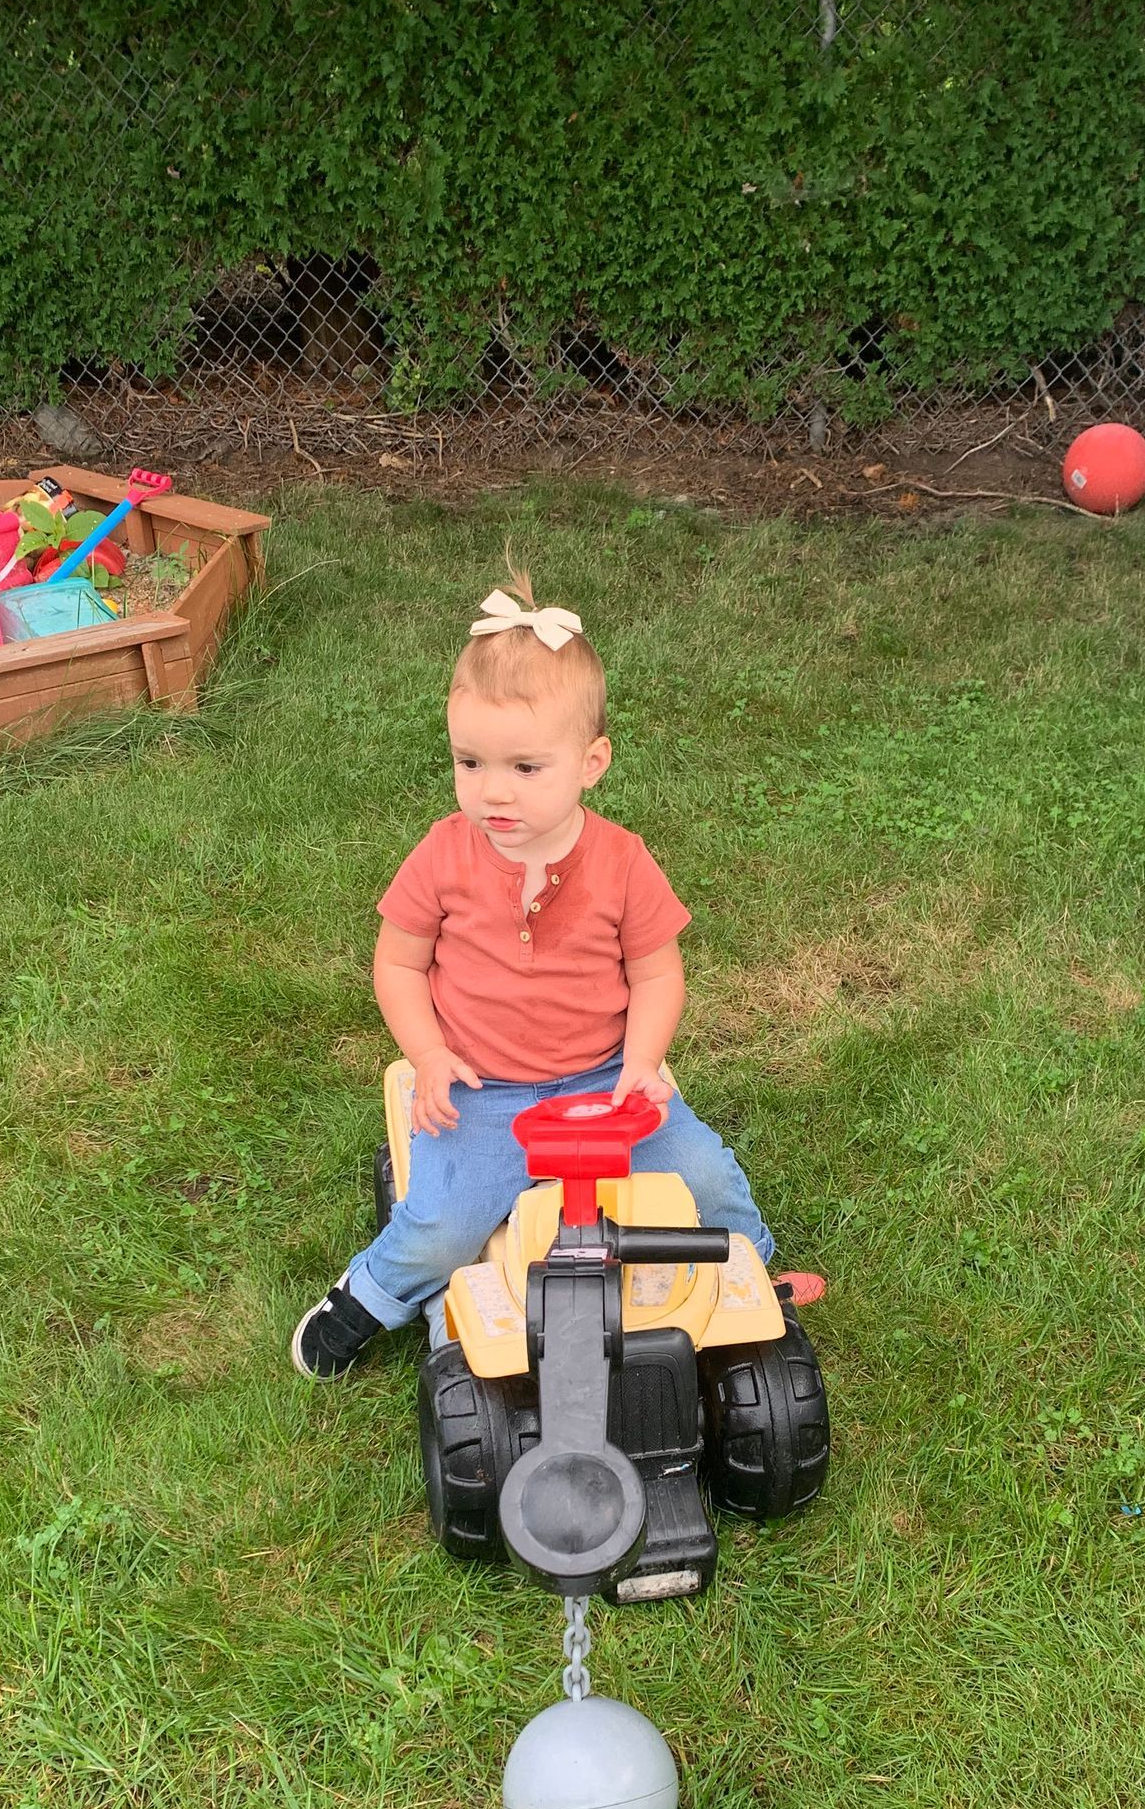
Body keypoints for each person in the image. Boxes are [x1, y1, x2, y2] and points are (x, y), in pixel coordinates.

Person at [293, 576, 817, 1378]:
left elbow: (656, 975)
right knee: (443, 1225)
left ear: (590, 762)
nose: (492, 790)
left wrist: (642, 1062)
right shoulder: (443, 853)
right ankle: (363, 1298)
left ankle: (753, 1272)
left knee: (706, 1174)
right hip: (481, 1090)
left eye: (525, 767)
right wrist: (432, 1060)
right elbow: (398, 962)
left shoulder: (623, 862)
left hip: (605, 1084)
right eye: (470, 762)